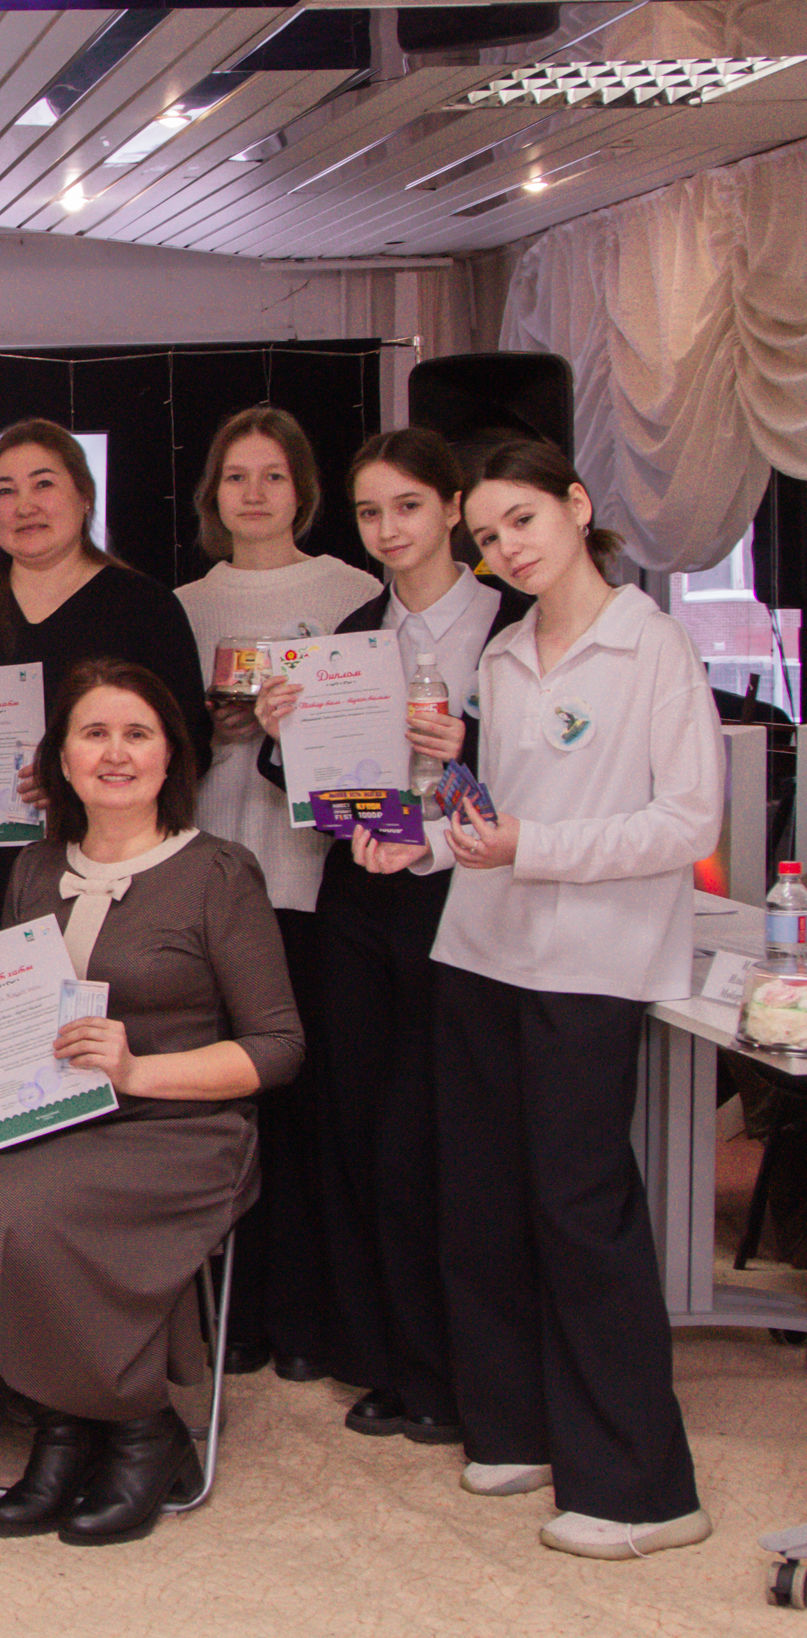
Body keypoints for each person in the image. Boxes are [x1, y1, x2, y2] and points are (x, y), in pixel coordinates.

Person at [0, 659, 302, 1548]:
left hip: (177, 1124)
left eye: (137, 733)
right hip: (51, 1112)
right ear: (61, 757)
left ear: (172, 756)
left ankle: (140, 1428)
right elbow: (5, 1019)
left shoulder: (219, 871)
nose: (115, 753)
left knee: (22, 1210)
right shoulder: (38, 865)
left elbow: (278, 1048)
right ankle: (59, 1425)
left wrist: (136, 1071)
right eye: (94, 733)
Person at [352, 439, 718, 1560]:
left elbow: (686, 822)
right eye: (489, 535)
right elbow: (483, 810)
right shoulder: (506, 653)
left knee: (578, 1211)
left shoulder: (650, 645)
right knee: (483, 1205)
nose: (507, 547)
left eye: (523, 520)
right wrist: (414, 842)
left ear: (575, 505)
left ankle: (642, 1488)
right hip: (479, 952)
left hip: (589, 966)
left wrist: (533, 845)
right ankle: (514, 1428)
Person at [250, 427, 530, 1443]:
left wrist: (470, 746)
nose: (388, 528)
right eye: (370, 511)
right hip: (363, 896)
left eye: (407, 505)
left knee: (448, 1138)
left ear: (453, 507)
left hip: (471, 897)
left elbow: (548, 780)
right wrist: (281, 736)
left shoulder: (512, 625)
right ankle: (390, 1360)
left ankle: (463, 1368)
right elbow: (313, 789)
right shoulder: (353, 633)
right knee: (362, 1129)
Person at [172, 407, 379, 1383]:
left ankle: (309, 1315)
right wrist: (207, 730)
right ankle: (236, 1313)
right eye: (235, 476)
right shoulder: (180, 604)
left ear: (304, 488)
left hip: (312, 878)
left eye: (273, 476)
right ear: (211, 493)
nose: (253, 494)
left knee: (310, 1108)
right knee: (223, 1112)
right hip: (207, 877)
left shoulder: (356, 593)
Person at [0, 419, 210, 934]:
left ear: (84, 497)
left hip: (108, 875)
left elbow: (191, 745)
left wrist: (81, 776)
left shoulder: (146, 606)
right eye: (5, 491)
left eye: (43, 484)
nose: (25, 505)